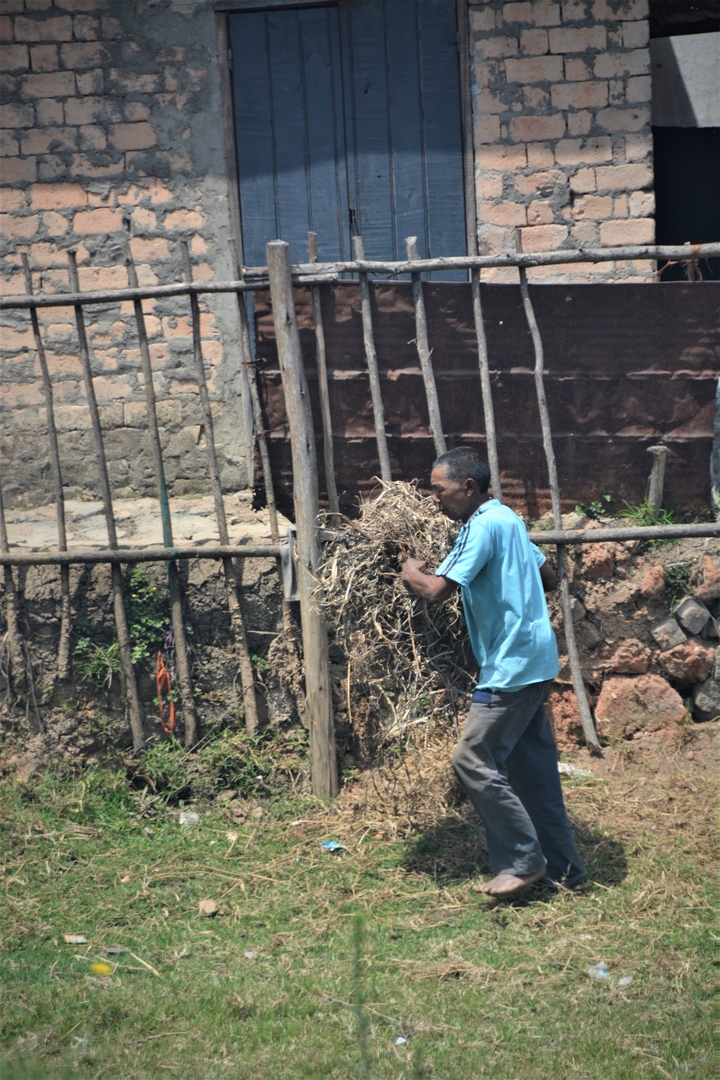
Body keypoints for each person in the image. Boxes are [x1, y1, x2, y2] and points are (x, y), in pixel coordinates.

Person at [401, 446, 587, 898]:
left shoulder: (479, 526)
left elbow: (435, 590)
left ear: (468, 488)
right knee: (533, 774)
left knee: (472, 759)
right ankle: (567, 873)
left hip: (509, 667)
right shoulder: (509, 520)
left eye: (439, 491)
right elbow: (547, 576)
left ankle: (524, 860)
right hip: (537, 660)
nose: (433, 499)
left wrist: (408, 571)